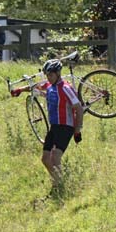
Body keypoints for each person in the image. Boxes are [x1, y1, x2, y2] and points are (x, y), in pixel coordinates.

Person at [37, 59, 84, 190]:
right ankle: (59, 182)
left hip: (66, 126)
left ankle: (58, 187)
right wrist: (18, 90)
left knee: (55, 155)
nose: (49, 78)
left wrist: (77, 130)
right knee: (45, 159)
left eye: (51, 75)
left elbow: (79, 108)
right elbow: (35, 86)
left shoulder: (65, 88)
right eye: (47, 75)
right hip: (54, 127)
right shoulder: (50, 86)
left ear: (58, 73)